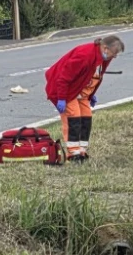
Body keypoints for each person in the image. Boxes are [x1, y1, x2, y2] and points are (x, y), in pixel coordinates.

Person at [45, 34, 124, 162]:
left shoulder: (104, 58)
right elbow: (63, 78)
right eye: (114, 53)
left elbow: (94, 77)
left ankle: (81, 151)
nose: (114, 57)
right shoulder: (84, 56)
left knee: (86, 118)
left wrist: (91, 94)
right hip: (66, 91)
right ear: (105, 48)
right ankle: (73, 153)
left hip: (80, 91)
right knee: (73, 118)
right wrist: (61, 98)